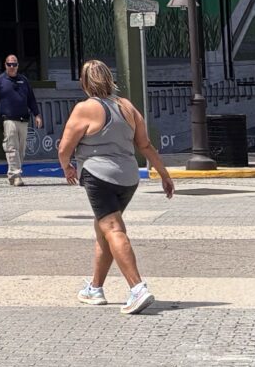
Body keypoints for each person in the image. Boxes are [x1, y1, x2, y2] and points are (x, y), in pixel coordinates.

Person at [58, 57, 173, 312]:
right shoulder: (127, 107)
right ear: (109, 80)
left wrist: (66, 166)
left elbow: (65, 147)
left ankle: (137, 288)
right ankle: (95, 288)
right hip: (129, 178)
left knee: (113, 229)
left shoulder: (85, 108)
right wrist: (164, 174)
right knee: (104, 230)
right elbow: (145, 145)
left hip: (99, 175)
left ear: (85, 82)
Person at [0, 52, 41, 185]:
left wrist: (37, 114)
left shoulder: (24, 81)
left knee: (21, 148)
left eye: (14, 64)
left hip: (23, 119)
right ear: (5, 65)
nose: (12, 67)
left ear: (18, 66)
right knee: (11, 146)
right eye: (9, 64)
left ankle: (12, 174)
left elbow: (31, 99)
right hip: (8, 119)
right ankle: (16, 174)